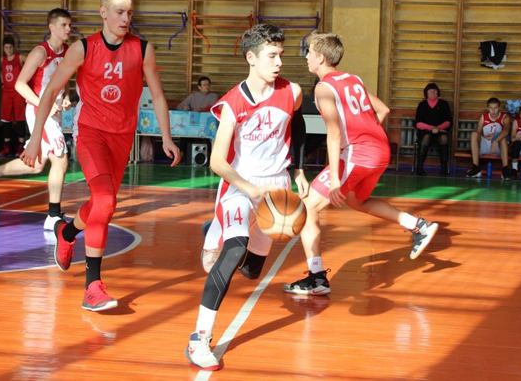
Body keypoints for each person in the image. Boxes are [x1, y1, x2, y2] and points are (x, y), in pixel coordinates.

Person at [21, 0, 180, 312]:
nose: (126, 18)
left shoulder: (143, 49)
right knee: (106, 202)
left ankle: (67, 232)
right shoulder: (82, 48)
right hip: (91, 133)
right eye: (119, 12)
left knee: (99, 204)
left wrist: (166, 137)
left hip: (123, 136)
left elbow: (158, 95)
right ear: (103, 13)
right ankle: (92, 286)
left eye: (130, 13)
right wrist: (36, 138)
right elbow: (50, 91)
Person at [185, 24, 309, 371]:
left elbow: (299, 126)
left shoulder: (293, 92)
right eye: (272, 56)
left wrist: (298, 170)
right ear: (251, 58)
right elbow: (217, 162)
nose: (279, 62)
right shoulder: (232, 103)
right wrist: (250, 189)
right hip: (240, 185)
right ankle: (199, 338)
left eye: (281, 55)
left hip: (276, 187)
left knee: (252, 271)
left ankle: (213, 228)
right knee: (234, 250)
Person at [283, 32, 439, 297]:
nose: (306, 56)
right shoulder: (353, 79)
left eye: (309, 52)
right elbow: (383, 110)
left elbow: (334, 134)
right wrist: (366, 135)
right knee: (357, 201)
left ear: (320, 58)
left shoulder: (323, 88)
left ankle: (317, 278)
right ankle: (418, 225)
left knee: (308, 207)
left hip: (359, 154)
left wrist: (336, 179)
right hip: (380, 150)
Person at [0, 8, 73, 231]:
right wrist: (43, 105)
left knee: (36, 166)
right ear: (52, 27)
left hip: (52, 112)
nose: (68, 29)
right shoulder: (40, 53)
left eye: (69, 25)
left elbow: (62, 80)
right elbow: (19, 85)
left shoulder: (67, 51)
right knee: (60, 159)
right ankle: (53, 216)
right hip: (38, 111)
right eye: (64, 25)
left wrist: (65, 96)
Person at [465, 97, 511, 179]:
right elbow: (478, 132)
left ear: (499, 108)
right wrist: (485, 137)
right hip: (485, 144)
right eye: (491, 108)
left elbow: (506, 131)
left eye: (495, 108)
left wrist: (495, 140)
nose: (493, 111)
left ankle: (505, 170)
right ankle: (475, 168)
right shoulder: (483, 117)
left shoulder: (505, 117)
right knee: (474, 134)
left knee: (503, 138)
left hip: (497, 146)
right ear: (488, 108)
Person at [0, 35, 27, 157]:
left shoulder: (20, 57)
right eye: (6, 47)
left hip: (18, 92)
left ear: (14, 47)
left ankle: (21, 146)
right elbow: (1, 72)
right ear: (3, 48)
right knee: (6, 119)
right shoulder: (2, 59)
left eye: (10, 47)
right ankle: (7, 147)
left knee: (20, 118)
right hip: (6, 92)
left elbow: (32, 65)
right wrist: (2, 81)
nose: (9, 49)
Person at [414, 82, 452, 176]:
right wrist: (432, 128)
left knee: (444, 138)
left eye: (434, 91)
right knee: (426, 137)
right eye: (430, 91)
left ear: (438, 92)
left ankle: (444, 169)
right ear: (426, 93)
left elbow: (448, 121)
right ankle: (419, 168)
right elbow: (418, 123)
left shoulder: (444, 104)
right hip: (425, 132)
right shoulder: (422, 105)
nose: (432, 93)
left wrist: (438, 128)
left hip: (440, 131)